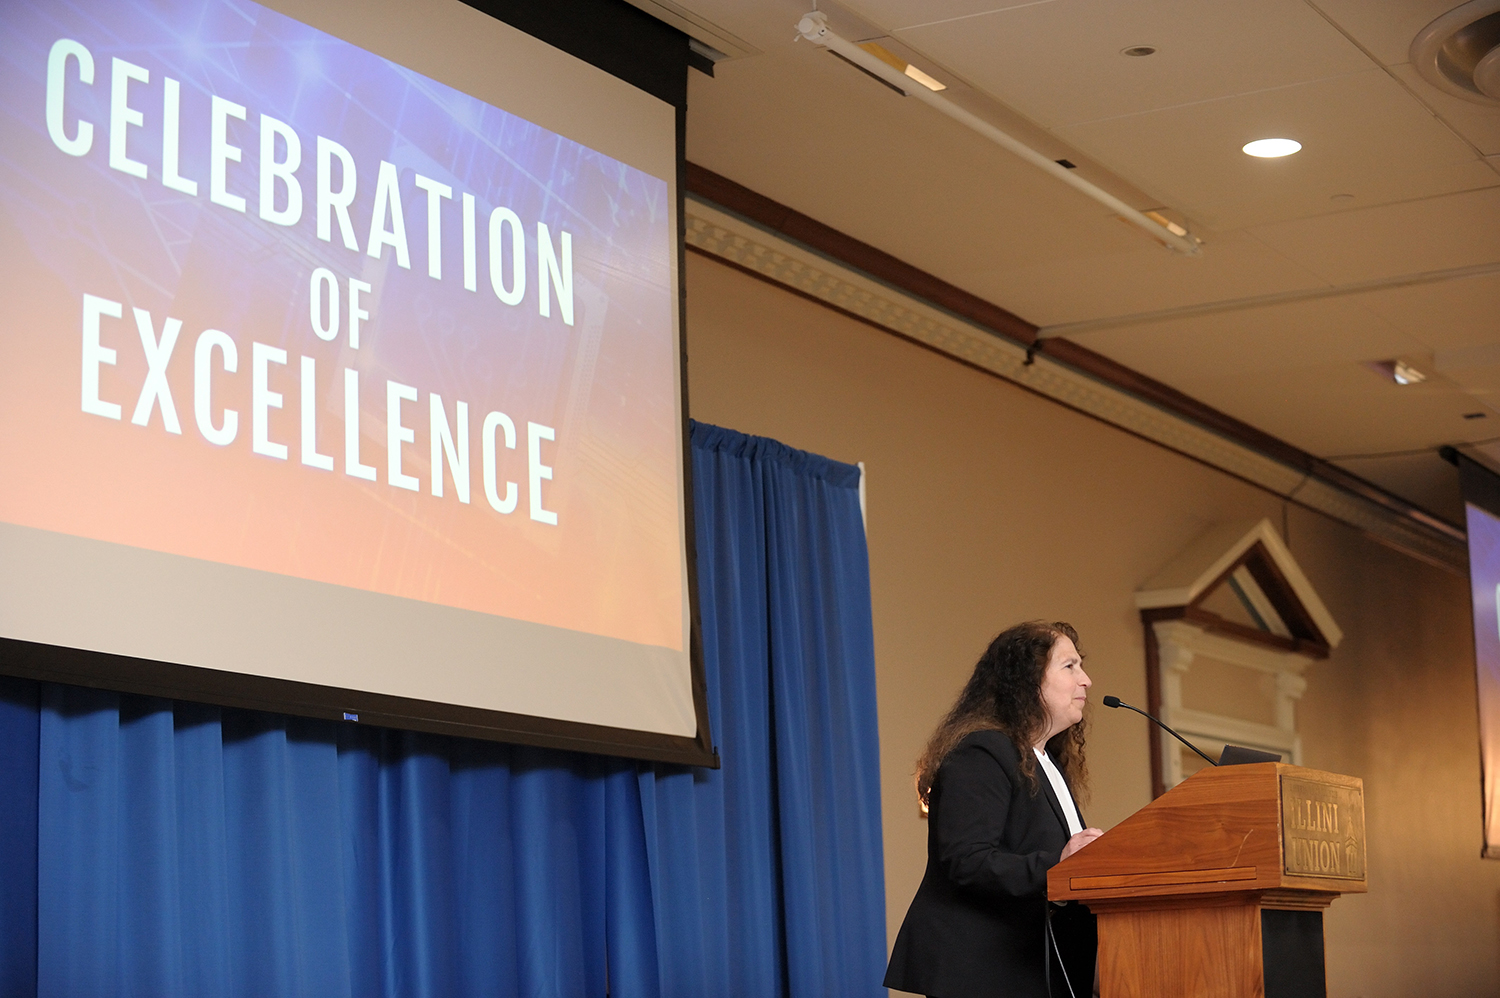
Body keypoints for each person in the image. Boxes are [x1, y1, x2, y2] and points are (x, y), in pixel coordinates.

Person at [884, 620, 1102, 998]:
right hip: (983, 974)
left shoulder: (1046, 762)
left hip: (1031, 971)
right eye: (1069, 666)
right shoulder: (982, 751)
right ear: (1026, 680)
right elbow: (966, 859)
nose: (1086, 680)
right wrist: (1060, 863)